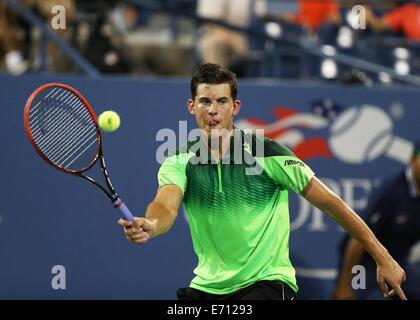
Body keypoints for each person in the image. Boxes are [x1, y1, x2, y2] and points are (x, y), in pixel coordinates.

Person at [118, 63, 406, 300]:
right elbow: (165, 205)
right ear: (192, 107)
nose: (214, 110)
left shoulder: (268, 153)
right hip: (207, 287)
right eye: (205, 101)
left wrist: (383, 257)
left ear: (235, 107)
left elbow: (334, 205)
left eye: (222, 101)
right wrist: (152, 225)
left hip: (267, 283)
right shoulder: (179, 160)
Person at [332, 141, 420, 300]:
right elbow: (357, 239)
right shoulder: (391, 192)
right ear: (413, 160)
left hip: (398, 262)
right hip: (364, 262)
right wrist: (344, 286)